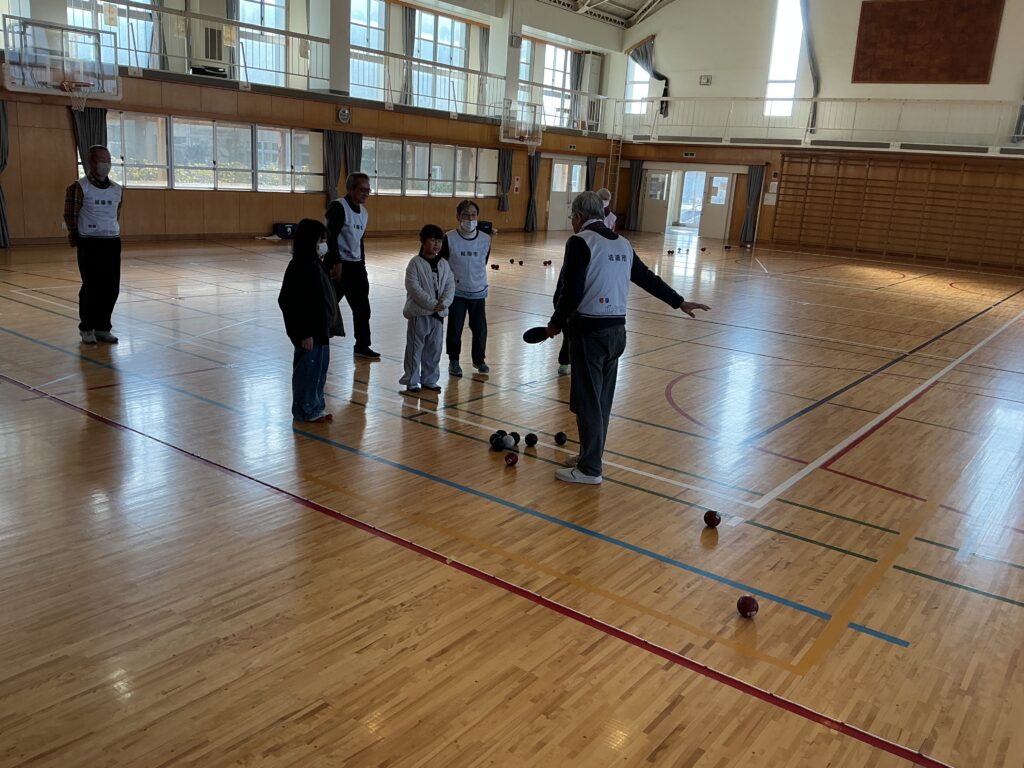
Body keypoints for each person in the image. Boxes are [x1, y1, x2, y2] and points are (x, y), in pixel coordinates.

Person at [548, 191, 710, 485]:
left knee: (588, 401)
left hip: (589, 332)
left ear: (579, 217)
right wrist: (679, 301)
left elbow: (571, 291)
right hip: (617, 333)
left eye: (572, 217)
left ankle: (589, 470)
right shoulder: (622, 243)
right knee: (601, 402)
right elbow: (647, 278)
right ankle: (588, 456)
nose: (572, 223)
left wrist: (555, 323)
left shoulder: (580, 242)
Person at [278, 218, 344, 423]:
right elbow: (291, 302)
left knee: (319, 371)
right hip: (309, 333)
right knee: (307, 370)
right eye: (319, 240)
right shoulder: (299, 266)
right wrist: (304, 332)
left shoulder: (317, 264)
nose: (323, 245)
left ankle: (316, 406)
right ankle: (304, 410)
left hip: (321, 330)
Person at [63, 145, 123, 344]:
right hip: (89, 242)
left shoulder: (116, 189)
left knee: (111, 287)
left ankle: (103, 327)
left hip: (112, 242)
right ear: (91, 162)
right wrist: (76, 236)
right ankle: (87, 328)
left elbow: (115, 214)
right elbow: (71, 215)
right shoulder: (79, 187)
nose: (106, 164)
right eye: (102, 160)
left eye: (109, 160)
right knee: (92, 286)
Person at [324, 172, 380, 360]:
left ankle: (362, 345)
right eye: (362, 190)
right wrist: (336, 262)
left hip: (356, 267)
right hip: (337, 265)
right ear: (350, 189)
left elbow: (359, 242)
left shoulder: (364, 213)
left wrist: (362, 265)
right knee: (328, 305)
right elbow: (330, 236)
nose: (365, 194)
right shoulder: (338, 207)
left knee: (362, 308)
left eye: (368, 190)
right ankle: (318, 339)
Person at [401, 224, 455, 395]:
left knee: (434, 349)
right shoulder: (415, 263)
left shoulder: (444, 264)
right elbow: (413, 288)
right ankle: (411, 380)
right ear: (423, 241)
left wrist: (444, 303)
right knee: (415, 349)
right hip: (420, 314)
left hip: (438, 315)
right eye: (432, 240)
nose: (436, 244)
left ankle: (429, 380)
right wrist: (432, 304)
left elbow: (450, 285)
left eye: (439, 241)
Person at [441, 199, 492, 377]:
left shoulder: (485, 239)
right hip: (456, 292)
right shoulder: (449, 238)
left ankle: (479, 360)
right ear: (458, 216)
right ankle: (454, 360)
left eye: (473, 215)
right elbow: (443, 263)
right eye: (466, 215)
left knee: (479, 328)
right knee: (455, 328)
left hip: (478, 291)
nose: (470, 219)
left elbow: (483, 261)